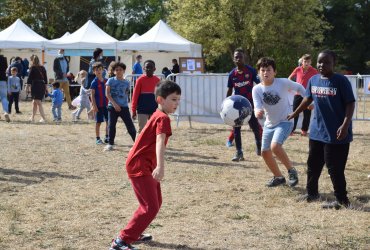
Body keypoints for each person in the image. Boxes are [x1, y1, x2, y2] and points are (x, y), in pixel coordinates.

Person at [109, 80, 181, 250]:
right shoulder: (162, 118)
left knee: (154, 203)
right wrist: (160, 166)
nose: (177, 103)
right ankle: (122, 241)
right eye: (173, 99)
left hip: (144, 163)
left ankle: (135, 231)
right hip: (139, 165)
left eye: (178, 99)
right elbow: (159, 140)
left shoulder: (157, 114)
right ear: (160, 100)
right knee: (150, 206)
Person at [287, 50, 355, 209]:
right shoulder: (313, 79)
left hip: (337, 134)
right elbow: (307, 98)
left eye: (326, 62)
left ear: (334, 64)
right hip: (317, 131)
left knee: (335, 168)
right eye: (319, 62)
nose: (321, 65)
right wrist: (295, 113)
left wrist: (345, 125)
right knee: (313, 164)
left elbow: (350, 104)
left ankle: (342, 200)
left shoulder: (341, 81)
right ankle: (311, 193)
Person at [252, 57, 304, 187]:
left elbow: (300, 88)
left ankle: (292, 171)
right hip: (269, 124)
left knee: (275, 146)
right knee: (264, 151)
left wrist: (309, 101)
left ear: (274, 72)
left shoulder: (283, 82)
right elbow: (257, 106)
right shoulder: (256, 89)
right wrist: (257, 112)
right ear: (258, 73)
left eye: (268, 70)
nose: (265, 73)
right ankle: (278, 177)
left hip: (286, 121)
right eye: (262, 70)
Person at [226, 48, 262, 161]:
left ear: (244, 58)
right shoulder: (232, 74)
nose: (238, 59)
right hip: (237, 107)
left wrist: (261, 100)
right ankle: (239, 152)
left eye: (240, 57)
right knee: (236, 129)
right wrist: (226, 105)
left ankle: (259, 148)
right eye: (236, 57)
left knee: (255, 127)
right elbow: (229, 90)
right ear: (233, 59)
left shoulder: (250, 71)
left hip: (250, 105)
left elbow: (260, 85)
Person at [104, 62, 136, 151]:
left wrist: (124, 104)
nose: (118, 71)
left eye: (120, 70)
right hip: (112, 107)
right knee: (111, 125)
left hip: (124, 107)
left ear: (124, 71)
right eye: (116, 70)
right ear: (114, 71)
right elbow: (107, 94)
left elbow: (126, 93)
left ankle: (136, 142)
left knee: (130, 125)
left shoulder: (127, 82)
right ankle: (110, 143)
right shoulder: (110, 80)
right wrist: (114, 104)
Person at [288, 54, 318, 136]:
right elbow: (289, 78)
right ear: (302, 61)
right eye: (305, 61)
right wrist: (291, 85)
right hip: (297, 94)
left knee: (307, 113)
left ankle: (304, 130)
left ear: (311, 62)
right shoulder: (297, 69)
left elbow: (318, 80)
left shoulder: (314, 71)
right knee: (295, 112)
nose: (307, 63)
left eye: (308, 62)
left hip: (308, 95)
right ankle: (291, 130)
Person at [131, 60, 160, 133]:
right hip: (142, 110)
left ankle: (152, 144)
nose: (149, 69)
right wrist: (133, 110)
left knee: (154, 130)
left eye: (151, 67)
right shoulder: (140, 80)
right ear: (143, 68)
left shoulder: (157, 80)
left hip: (154, 110)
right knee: (142, 130)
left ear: (154, 69)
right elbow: (135, 96)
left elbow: (160, 97)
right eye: (147, 67)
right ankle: (138, 144)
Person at [90, 62, 109, 145]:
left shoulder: (107, 81)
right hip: (98, 106)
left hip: (107, 105)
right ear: (94, 71)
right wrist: (94, 106)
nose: (98, 71)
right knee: (98, 122)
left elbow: (109, 93)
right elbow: (92, 96)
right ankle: (98, 138)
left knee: (109, 121)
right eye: (96, 70)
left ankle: (107, 136)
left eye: (100, 69)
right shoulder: (94, 83)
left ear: (102, 70)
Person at [27, 55, 47, 123]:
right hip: (42, 85)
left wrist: (27, 87)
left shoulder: (32, 67)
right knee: (34, 102)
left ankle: (43, 118)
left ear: (32, 60)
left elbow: (29, 78)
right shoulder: (43, 67)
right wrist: (46, 87)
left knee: (38, 102)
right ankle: (32, 117)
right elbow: (46, 79)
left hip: (35, 85)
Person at [0, 54, 10, 122]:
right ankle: (5, 112)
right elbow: (6, 69)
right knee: (4, 98)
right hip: (3, 79)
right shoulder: (4, 58)